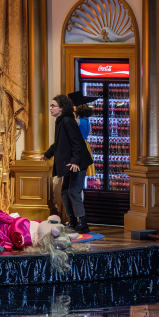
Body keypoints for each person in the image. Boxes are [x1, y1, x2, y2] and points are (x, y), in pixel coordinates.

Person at [44, 94, 93, 233]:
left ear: (62, 107)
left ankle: (83, 224)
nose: (50, 108)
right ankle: (72, 221)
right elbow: (59, 143)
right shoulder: (61, 121)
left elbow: (77, 143)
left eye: (53, 106)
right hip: (70, 163)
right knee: (65, 192)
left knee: (73, 191)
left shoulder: (68, 121)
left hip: (77, 162)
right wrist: (47, 154)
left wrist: (75, 161)